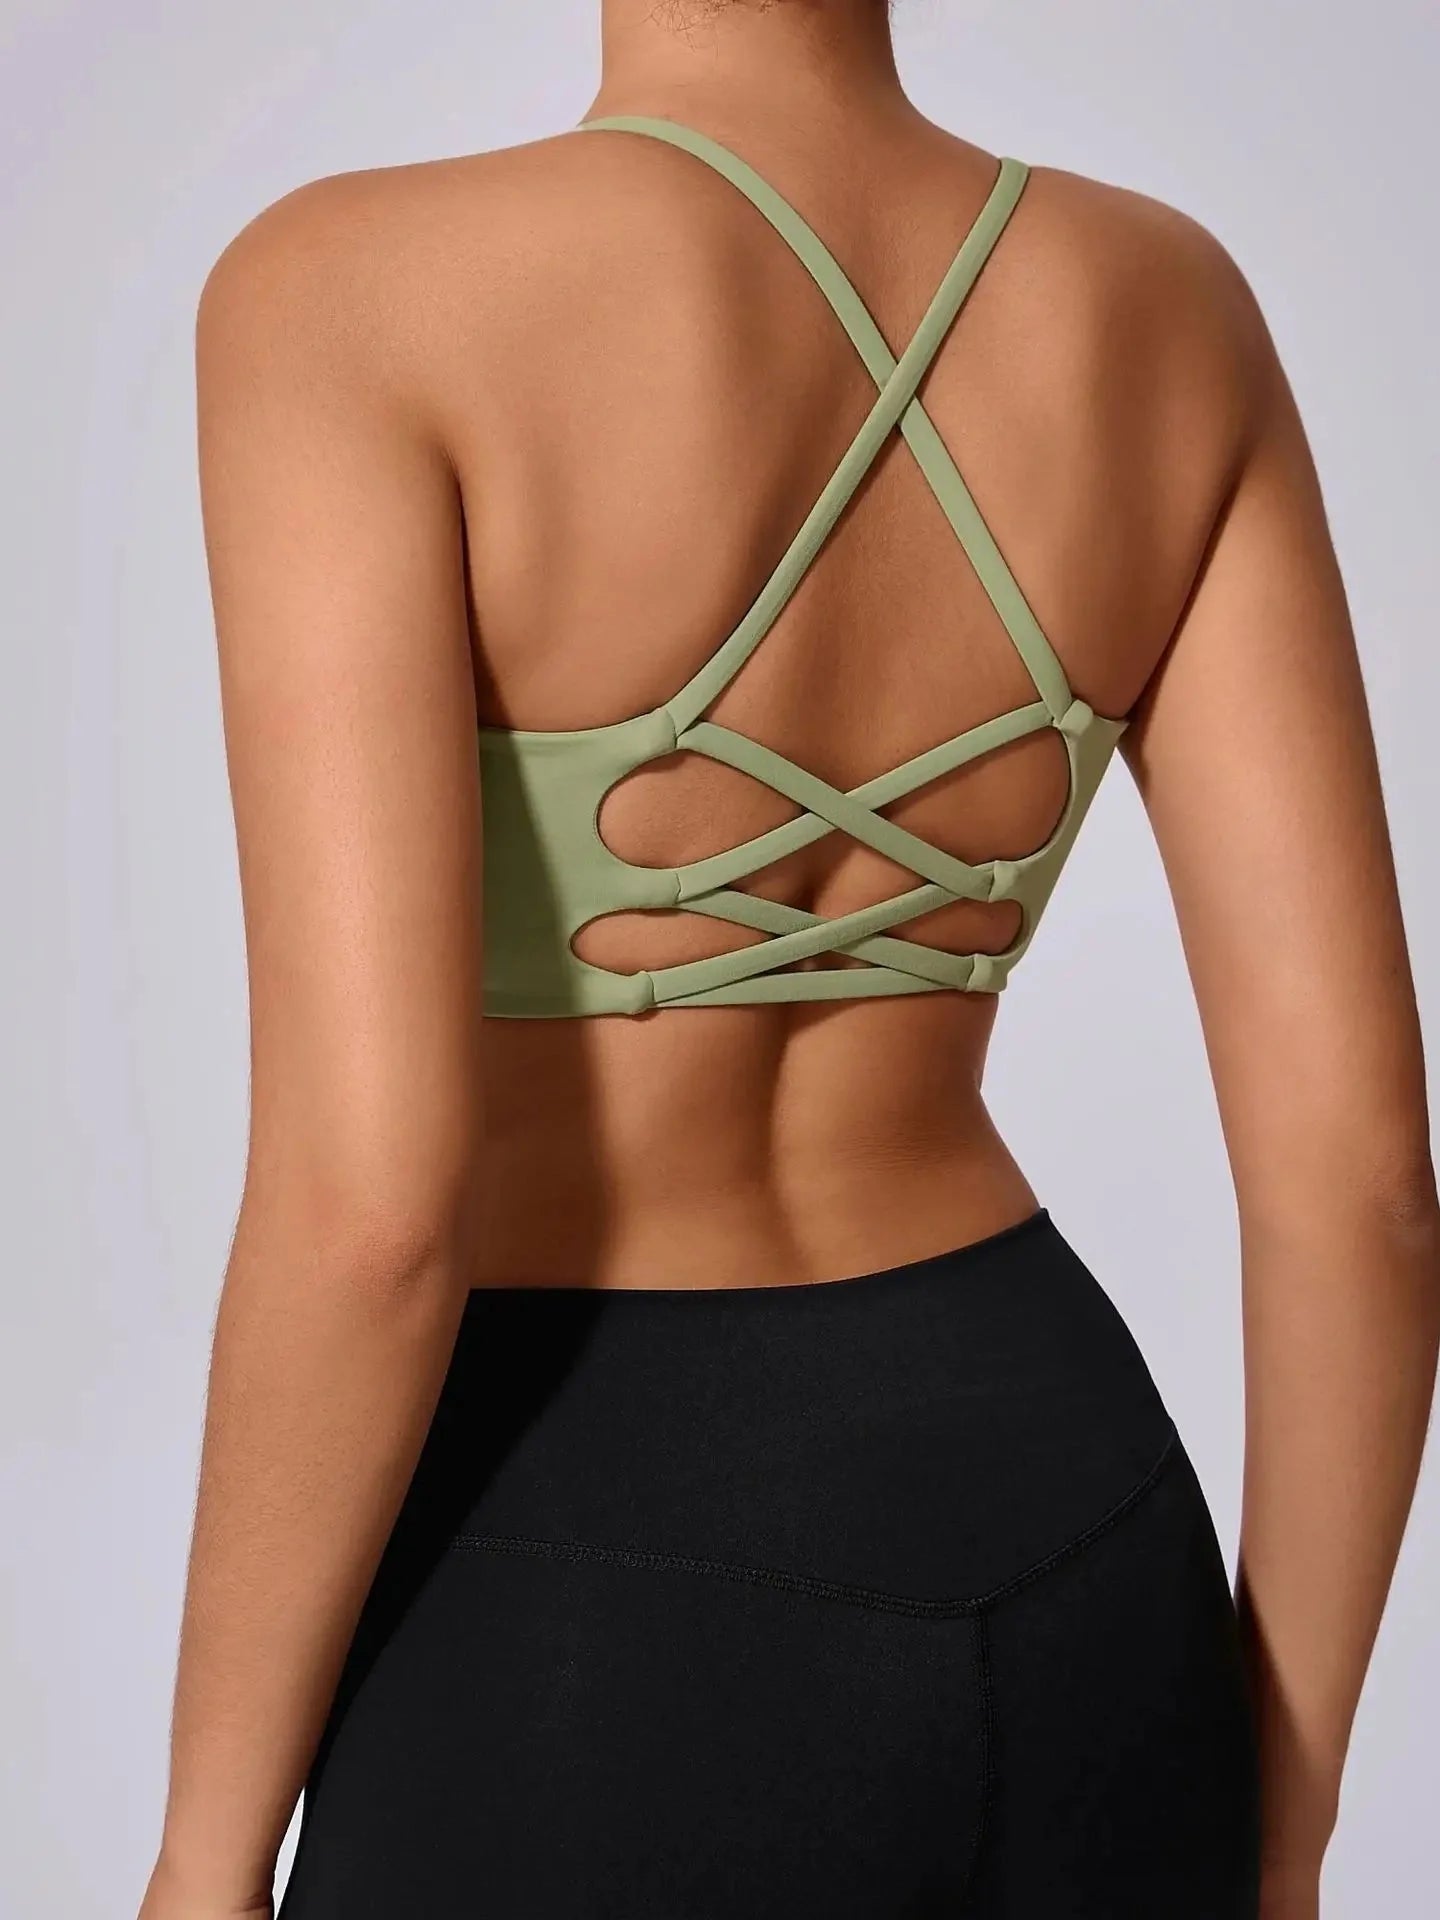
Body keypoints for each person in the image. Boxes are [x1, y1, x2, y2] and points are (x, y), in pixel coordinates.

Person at [137, 2, 1439, 1917]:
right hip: (1076, 1547)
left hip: (579, 1596)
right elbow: (1364, 1192)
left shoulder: (347, 291)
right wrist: (1285, 1829)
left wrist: (204, 1852)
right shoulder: (1167, 309)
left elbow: (374, 1212)